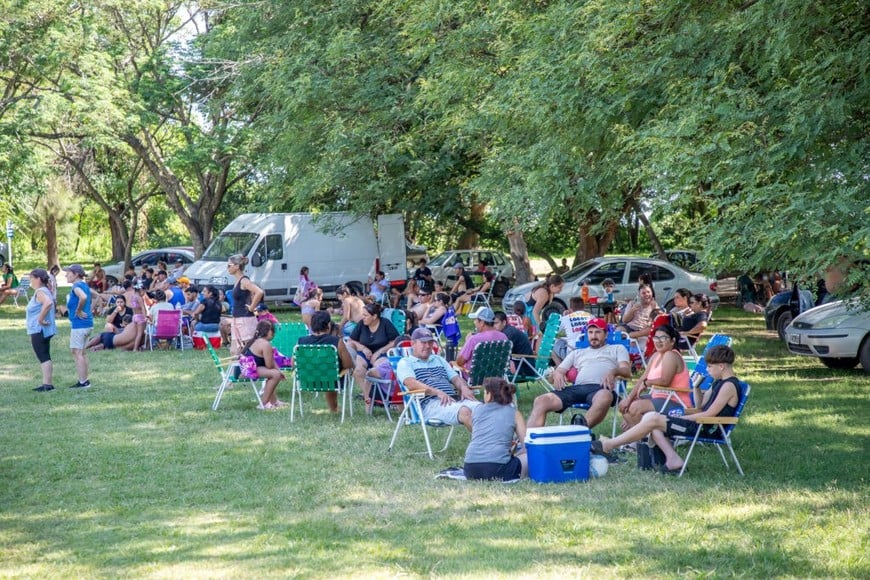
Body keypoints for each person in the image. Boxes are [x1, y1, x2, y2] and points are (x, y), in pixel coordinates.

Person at [595, 345, 743, 474]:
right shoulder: (719, 383)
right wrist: (697, 387)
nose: (708, 370)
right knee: (652, 419)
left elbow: (709, 414)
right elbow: (700, 407)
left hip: (706, 428)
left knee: (653, 419)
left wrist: (681, 419)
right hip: (701, 423)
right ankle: (673, 460)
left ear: (721, 366)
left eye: (710, 366)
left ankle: (610, 445)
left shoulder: (728, 386)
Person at [527, 318, 631, 428]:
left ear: (606, 335)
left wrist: (613, 371)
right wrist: (558, 374)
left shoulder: (617, 348)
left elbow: (626, 371)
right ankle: (528, 442)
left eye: (598, 332)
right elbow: (560, 370)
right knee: (541, 401)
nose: (593, 336)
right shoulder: (577, 352)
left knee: (605, 396)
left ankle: (578, 432)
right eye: (590, 332)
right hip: (577, 388)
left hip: (600, 388)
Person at [396, 327, 480, 431]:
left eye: (430, 342)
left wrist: (464, 387)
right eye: (423, 343)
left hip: (454, 400)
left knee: (485, 410)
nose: (428, 346)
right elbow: (411, 383)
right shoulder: (405, 362)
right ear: (413, 344)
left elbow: (456, 378)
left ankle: (500, 445)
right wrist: (437, 392)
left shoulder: (438, 359)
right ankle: (486, 445)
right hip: (431, 404)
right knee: (465, 412)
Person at [618, 325, 690, 429]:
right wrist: (629, 398)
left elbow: (665, 381)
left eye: (663, 338)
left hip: (675, 401)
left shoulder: (671, 355)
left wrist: (647, 383)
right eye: (656, 338)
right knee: (624, 405)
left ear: (672, 341)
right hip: (659, 398)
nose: (658, 341)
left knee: (634, 408)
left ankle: (644, 439)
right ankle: (642, 440)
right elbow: (643, 377)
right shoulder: (656, 355)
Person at [463, 378, 528, 482]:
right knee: (531, 456)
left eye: (484, 392)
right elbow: (526, 445)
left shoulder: (477, 410)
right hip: (497, 470)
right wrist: (516, 454)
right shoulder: (514, 413)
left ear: (489, 395)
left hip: (470, 469)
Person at [297, 311, 354, 413]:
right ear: (328, 325)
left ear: (312, 325)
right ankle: (334, 408)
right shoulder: (337, 341)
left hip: (307, 381)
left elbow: (294, 364)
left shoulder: (301, 342)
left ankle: (334, 408)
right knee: (332, 373)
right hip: (332, 382)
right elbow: (348, 364)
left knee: (328, 373)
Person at [348, 303, 400, 399]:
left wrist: (380, 351)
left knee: (376, 370)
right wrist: (363, 348)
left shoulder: (385, 323)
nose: (362, 317)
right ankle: (368, 396)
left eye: (366, 315)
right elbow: (351, 340)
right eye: (362, 314)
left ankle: (377, 395)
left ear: (374, 316)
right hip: (364, 353)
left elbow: (395, 341)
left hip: (382, 354)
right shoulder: (361, 324)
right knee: (358, 371)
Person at [242, 320, 286, 410]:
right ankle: (263, 404)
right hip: (248, 371)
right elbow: (269, 366)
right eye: (273, 331)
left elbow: (271, 362)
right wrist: (278, 371)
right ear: (269, 331)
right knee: (275, 375)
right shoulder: (265, 344)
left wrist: (279, 370)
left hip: (249, 368)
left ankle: (274, 401)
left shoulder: (255, 340)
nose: (273, 333)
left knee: (275, 373)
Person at [26, 269, 57, 391]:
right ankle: (47, 383)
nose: (31, 282)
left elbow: (48, 303)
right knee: (44, 355)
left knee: (43, 355)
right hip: (42, 330)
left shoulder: (40, 292)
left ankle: (47, 385)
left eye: (31, 279)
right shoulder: (45, 291)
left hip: (40, 329)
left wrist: (40, 319)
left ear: (38, 279)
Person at [227, 254, 264, 355]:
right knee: (234, 350)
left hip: (245, 319)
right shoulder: (237, 281)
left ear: (237, 266)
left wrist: (252, 307)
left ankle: (253, 368)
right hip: (236, 318)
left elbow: (259, 292)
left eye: (229, 265)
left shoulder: (244, 281)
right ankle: (238, 370)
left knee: (250, 347)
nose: (228, 268)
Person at [64, 264, 94, 388]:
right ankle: (84, 379)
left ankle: (83, 382)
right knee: (81, 352)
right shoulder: (84, 285)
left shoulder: (77, 286)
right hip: (87, 324)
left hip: (80, 325)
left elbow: (83, 297)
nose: (66, 275)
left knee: (77, 352)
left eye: (68, 273)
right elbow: (93, 296)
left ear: (76, 274)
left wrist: (78, 310)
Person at [552, 296, 593, 365]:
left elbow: (553, 332)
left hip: (572, 355)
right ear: (584, 307)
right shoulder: (591, 316)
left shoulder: (565, 318)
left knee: (551, 342)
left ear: (570, 309)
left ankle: (560, 367)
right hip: (590, 353)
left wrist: (564, 315)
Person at [620, 283, 661, 351]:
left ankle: (633, 337)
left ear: (652, 293)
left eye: (648, 292)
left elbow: (658, 319)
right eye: (643, 293)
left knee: (650, 329)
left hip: (643, 330)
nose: (647, 294)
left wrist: (657, 310)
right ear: (639, 295)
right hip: (630, 327)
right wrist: (632, 310)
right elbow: (624, 320)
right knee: (619, 330)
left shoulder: (653, 305)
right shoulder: (632, 303)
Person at [493, 310, 534, 377]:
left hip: (525, 367)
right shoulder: (507, 331)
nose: (494, 326)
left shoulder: (509, 334)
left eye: (496, 323)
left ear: (504, 322)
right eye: (492, 324)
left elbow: (500, 352)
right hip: (519, 362)